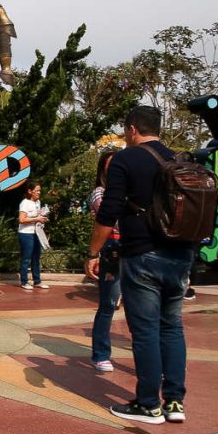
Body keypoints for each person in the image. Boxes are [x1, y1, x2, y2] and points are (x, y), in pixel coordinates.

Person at [86, 105, 193, 425]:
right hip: (180, 256)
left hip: (142, 256)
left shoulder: (125, 159)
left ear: (132, 129)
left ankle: (148, 404)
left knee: (145, 331)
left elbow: (109, 211)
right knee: (172, 327)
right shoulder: (179, 160)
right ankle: (175, 402)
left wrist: (93, 252)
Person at [89, 152, 120, 372]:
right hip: (112, 249)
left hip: (138, 248)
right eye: (110, 165)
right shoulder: (100, 193)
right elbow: (110, 217)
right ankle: (100, 353)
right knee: (108, 303)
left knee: (141, 307)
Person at [18, 181, 49, 290]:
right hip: (26, 234)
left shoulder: (38, 202)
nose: (39, 193)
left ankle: (37, 281)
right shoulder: (25, 203)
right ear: (30, 191)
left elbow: (36, 216)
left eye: (40, 190)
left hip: (36, 233)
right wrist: (36, 219)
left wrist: (42, 218)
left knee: (36, 257)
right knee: (26, 258)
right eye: (37, 191)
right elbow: (21, 219)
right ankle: (24, 281)